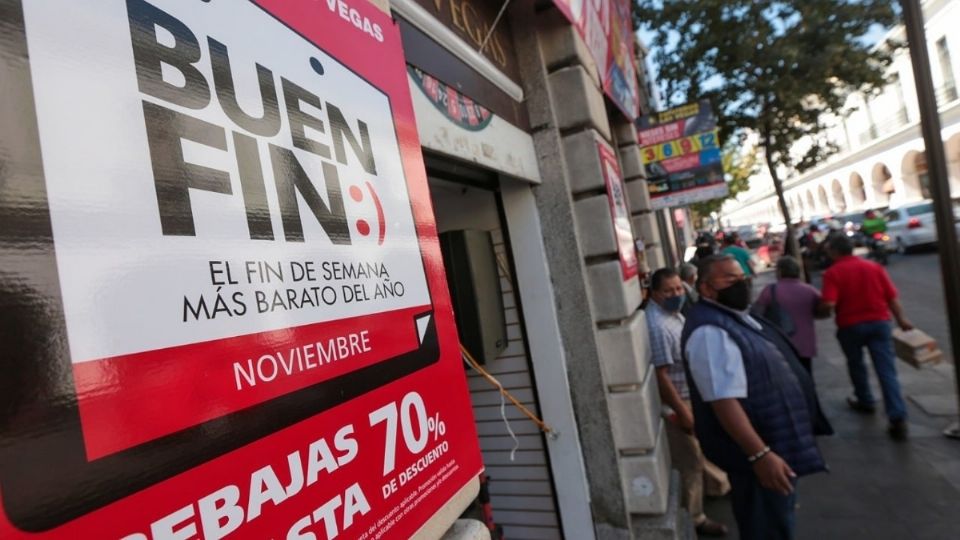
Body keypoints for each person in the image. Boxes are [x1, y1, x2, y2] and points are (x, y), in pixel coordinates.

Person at [683, 255, 828, 540]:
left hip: (775, 445)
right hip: (760, 456)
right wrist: (760, 454)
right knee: (766, 528)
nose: (742, 284)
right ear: (706, 289)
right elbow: (723, 401)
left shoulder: (732, 317)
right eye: (730, 280)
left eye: (743, 277)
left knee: (777, 521)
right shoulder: (709, 331)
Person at [645, 268, 728, 537]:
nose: (676, 295)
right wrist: (682, 412)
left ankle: (717, 487)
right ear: (655, 294)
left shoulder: (672, 315)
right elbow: (661, 375)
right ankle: (696, 519)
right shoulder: (656, 325)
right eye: (668, 291)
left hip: (692, 397)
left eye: (678, 289)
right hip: (678, 404)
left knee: (700, 451)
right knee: (690, 460)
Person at [819, 234, 913, 440]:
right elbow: (891, 297)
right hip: (879, 323)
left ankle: (866, 400)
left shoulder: (833, 273)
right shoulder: (873, 267)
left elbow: (829, 304)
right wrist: (902, 320)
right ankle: (897, 416)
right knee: (886, 371)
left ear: (835, 251)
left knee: (856, 364)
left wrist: (819, 311)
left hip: (850, 327)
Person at [751, 256, 824, 375]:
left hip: (781, 342)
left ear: (779, 272)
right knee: (806, 375)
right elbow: (822, 310)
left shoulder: (770, 290)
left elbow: (757, 314)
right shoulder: (809, 290)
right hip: (805, 344)